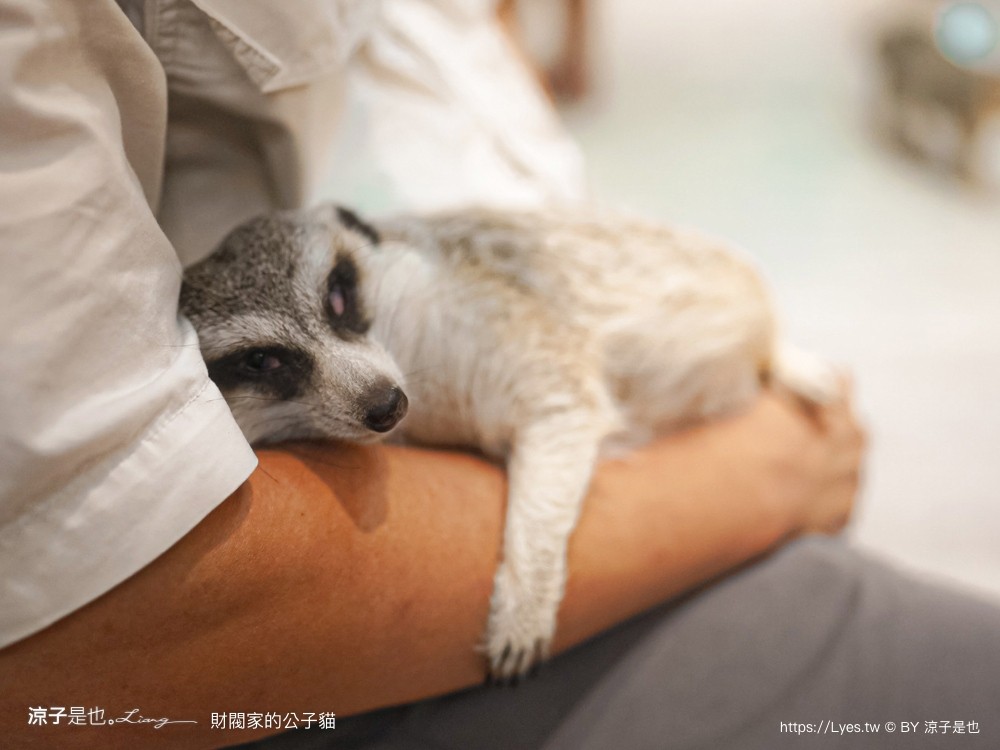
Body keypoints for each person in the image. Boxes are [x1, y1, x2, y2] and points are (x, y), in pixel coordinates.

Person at [0, 2, 996, 749]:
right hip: (343, 663)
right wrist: (770, 473)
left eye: (344, 308)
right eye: (275, 361)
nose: (360, 379)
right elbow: (112, 602)